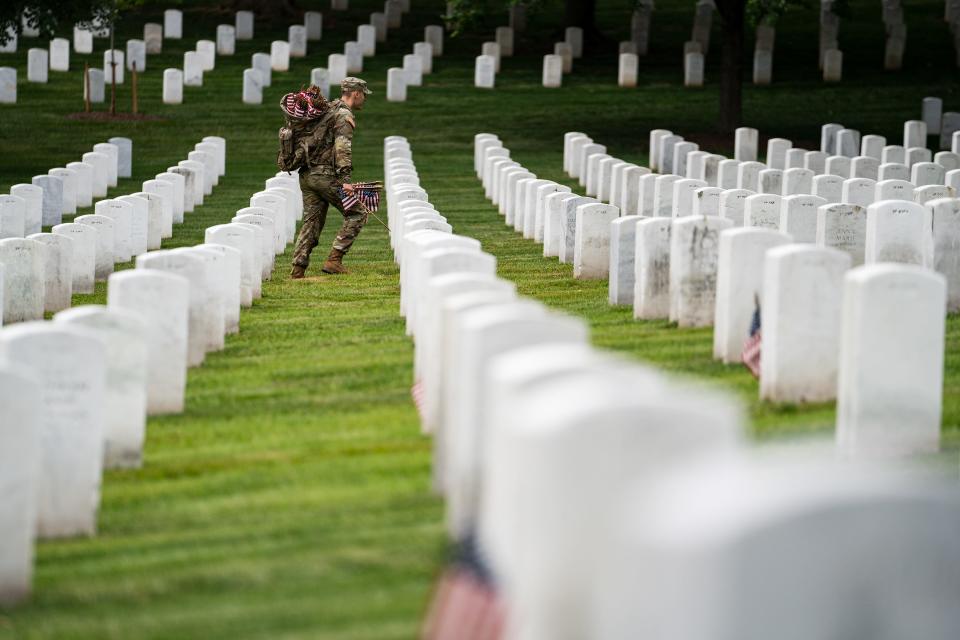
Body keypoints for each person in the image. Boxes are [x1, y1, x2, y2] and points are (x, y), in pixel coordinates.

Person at [290, 77, 372, 278]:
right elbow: (342, 148)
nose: (364, 100)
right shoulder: (343, 115)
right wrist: (346, 181)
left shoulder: (327, 108)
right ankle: (334, 260)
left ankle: (298, 269)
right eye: (364, 95)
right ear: (356, 93)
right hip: (326, 176)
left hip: (307, 175)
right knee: (358, 212)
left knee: (312, 221)